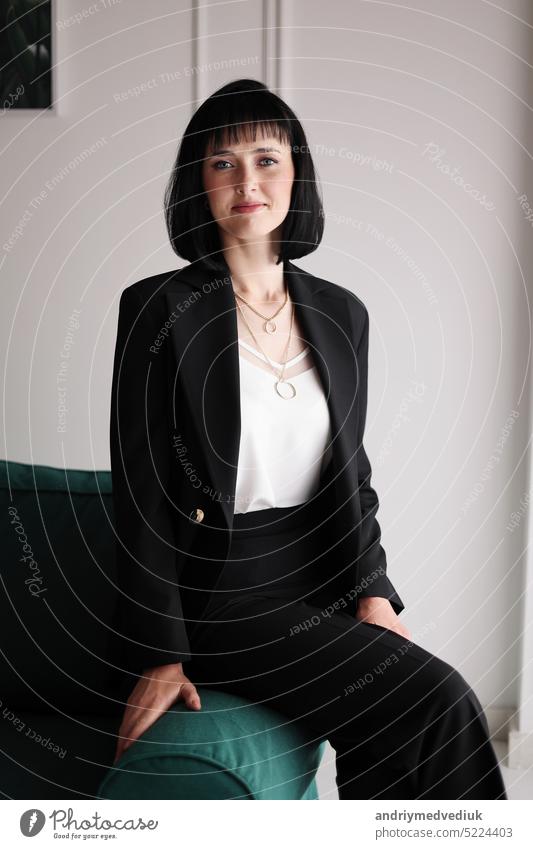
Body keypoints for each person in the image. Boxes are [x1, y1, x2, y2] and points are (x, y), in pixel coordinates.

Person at [109, 78, 507, 799]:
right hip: (224, 593)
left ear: (297, 174)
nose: (247, 180)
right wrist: (160, 652)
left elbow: (349, 472)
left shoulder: (340, 313)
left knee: (387, 731)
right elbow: (140, 490)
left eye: (266, 158)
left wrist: (374, 592)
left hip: (318, 578)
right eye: (222, 162)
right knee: (439, 700)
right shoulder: (156, 309)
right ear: (197, 184)